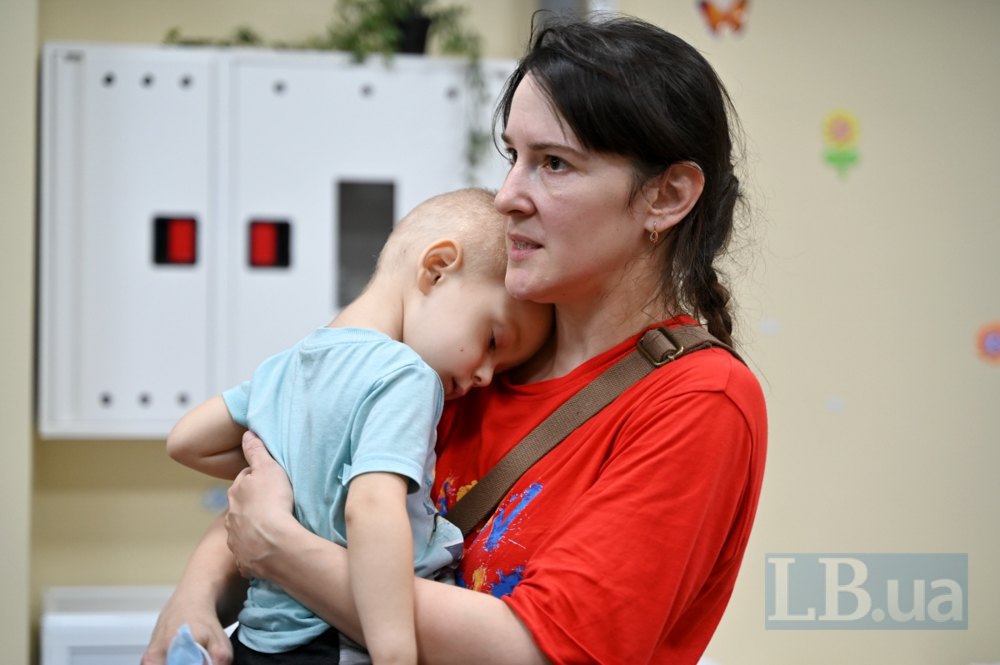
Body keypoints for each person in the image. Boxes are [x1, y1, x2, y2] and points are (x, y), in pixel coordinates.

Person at [143, 12, 767, 665]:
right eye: (513, 156)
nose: (507, 196)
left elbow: (538, 651)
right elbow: (292, 488)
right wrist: (193, 595)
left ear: (667, 196)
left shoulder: (699, 398)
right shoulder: (470, 357)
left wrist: (282, 551)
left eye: (554, 163)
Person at [164, 187, 552, 664]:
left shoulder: (290, 364)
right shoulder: (408, 376)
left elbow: (186, 442)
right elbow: (370, 507)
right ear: (436, 268)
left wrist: (294, 467)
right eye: (492, 340)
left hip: (259, 638)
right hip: (333, 644)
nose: (485, 376)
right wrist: (395, 655)